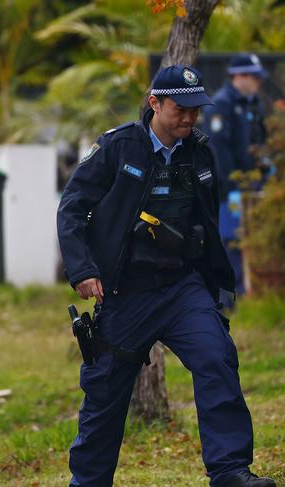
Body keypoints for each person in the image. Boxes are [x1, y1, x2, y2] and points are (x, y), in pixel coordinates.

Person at [57, 65, 275, 487]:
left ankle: (230, 471)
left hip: (182, 289)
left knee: (217, 358)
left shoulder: (200, 151)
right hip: (126, 292)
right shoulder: (117, 148)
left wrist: (213, 280)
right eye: (181, 108)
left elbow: (207, 219)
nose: (190, 118)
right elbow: (71, 210)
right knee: (105, 392)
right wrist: (83, 270)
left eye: (196, 109)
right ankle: (88, 480)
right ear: (154, 103)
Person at [203, 53, 268, 299]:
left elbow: (258, 140)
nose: (257, 83)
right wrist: (232, 186)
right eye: (253, 77)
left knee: (249, 238)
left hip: (252, 184)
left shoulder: (252, 103)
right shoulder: (222, 104)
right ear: (239, 76)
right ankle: (232, 294)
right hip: (229, 188)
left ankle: (250, 290)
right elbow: (220, 151)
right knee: (230, 239)